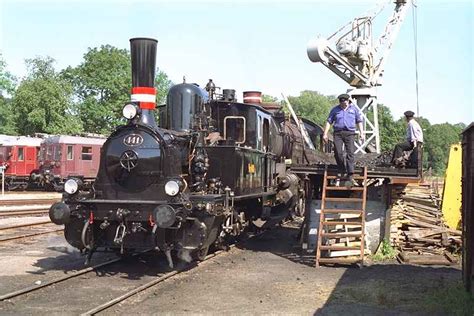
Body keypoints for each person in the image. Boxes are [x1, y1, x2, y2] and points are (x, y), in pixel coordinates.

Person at [323, 93, 364, 183]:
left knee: (350, 153)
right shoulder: (335, 110)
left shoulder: (354, 110)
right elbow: (329, 121)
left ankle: (350, 173)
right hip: (338, 133)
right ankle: (342, 169)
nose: (343, 103)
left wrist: (362, 133)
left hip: (350, 133)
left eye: (345, 101)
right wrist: (325, 133)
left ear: (348, 101)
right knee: (338, 152)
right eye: (341, 102)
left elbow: (359, 121)